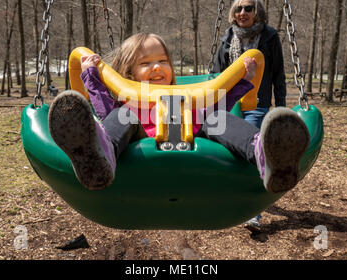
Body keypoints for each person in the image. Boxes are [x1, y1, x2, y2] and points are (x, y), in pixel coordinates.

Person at [48, 33, 308, 198]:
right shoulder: (127, 97)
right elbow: (104, 109)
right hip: (138, 134)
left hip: (192, 129)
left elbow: (220, 103)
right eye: (145, 63)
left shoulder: (189, 96)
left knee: (215, 118)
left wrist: (244, 81)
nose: (157, 67)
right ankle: (98, 158)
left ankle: (266, 154)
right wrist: (91, 75)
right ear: (127, 73)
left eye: (162, 60)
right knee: (121, 116)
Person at [212, 0, 287, 228]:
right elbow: (216, 73)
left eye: (248, 8)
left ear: (257, 12)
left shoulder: (269, 37)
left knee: (251, 148)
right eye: (238, 9)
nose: (242, 13)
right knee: (229, 149)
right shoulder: (227, 38)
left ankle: (252, 211)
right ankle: (227, 196)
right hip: (230, 103)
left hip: (257, 103)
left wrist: (282, 108)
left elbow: (277, 74)